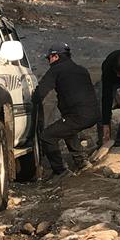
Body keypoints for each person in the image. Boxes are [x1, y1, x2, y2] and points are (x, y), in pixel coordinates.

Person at [35, 43, 99, 177]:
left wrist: (31, 104)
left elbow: (40, 92)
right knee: (67, 129)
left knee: (47, 136)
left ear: (55, 56)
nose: (48, 62)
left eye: (49, 58)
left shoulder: (56, 69)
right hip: (93, 114)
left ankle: (61, 172)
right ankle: (81, 162)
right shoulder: (81, 69)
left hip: (77, 116)